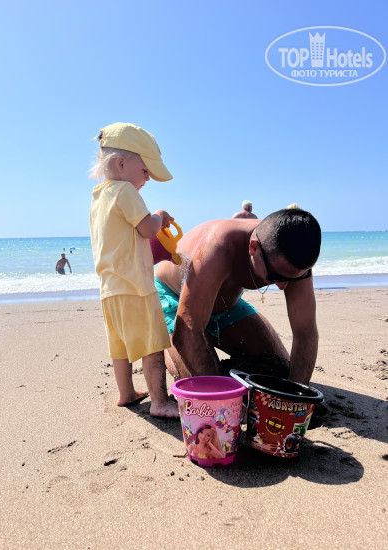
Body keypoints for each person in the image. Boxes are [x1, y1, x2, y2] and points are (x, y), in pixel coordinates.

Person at [155, 208, 321, 386]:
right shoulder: (218, 246)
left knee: (278, 369)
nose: (282, 286)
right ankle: (166, 341)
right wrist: (220, 394)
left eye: (293, 278)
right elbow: (188, 329)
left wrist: (296, 393)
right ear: (254, 248)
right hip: (175, 298)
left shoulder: (295, 260)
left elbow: (305, 332)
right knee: (200, 383)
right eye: (275, 276)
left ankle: (206, 335)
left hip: (226, 304)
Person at [89, 122, 178, 419]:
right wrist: (160, 216)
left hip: (109, 289)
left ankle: (126, 393)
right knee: (153, 344)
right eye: (145, 171)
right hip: (135, 286)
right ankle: (159, 401)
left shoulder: (98, 197)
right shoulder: (125, 190)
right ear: (121, 164)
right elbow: (147, 229)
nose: (148, 178)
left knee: (120, 347)